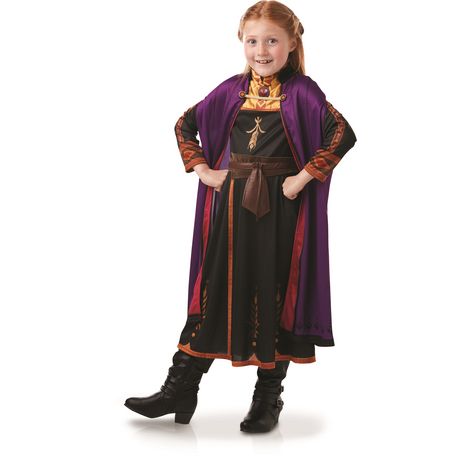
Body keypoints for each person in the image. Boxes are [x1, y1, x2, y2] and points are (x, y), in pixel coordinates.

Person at [125, 0, 357, 433]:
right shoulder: (231, 90)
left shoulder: (303, 92)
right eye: (252, 41)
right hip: (230, 209)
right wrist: (203, 170)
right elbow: (185, 123)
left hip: (282, 213)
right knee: (212, 289)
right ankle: (180, 387)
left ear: (291, 43)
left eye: (271, 41)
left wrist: (301, 179)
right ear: (241, 42)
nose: (261, 51)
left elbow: (342, 134)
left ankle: (267, 398)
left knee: (273, 292)